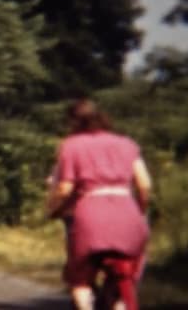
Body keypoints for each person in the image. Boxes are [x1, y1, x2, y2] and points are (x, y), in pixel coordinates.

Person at [46, 98, 151, 310]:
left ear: (73, 123)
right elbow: (145, 185)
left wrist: (53, 209)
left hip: (90, 216)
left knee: (80, 280)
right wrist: (140, 210)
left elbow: (65, 188)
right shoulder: (127, 144)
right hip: (127, 214)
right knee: (127, 276)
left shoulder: (71, 145)